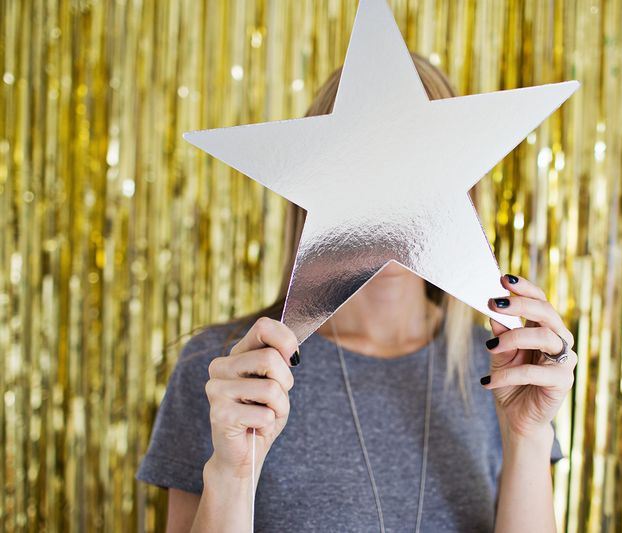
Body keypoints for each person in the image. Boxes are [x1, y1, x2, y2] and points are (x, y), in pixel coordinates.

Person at [136, 54, 577, 533]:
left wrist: (527, 437)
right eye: (364, 162)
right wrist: (232, 472)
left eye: (417, 166)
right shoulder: (231, 372)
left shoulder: (507, 371)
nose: (392, 201)